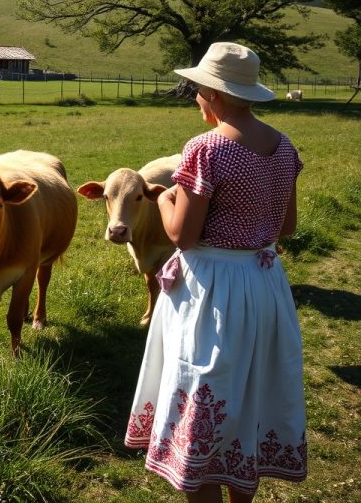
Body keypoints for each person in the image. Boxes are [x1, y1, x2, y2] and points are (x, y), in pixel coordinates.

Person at [124, 42, 307, 503]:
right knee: (249, 393)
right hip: (266, 284)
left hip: (213, 291)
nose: (196, 99)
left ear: (214, 94)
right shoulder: (284, 147)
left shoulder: (206, 150)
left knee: (203, 390)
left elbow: (183, 236)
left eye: (198, 91)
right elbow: (287, 226)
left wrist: (165, 199)